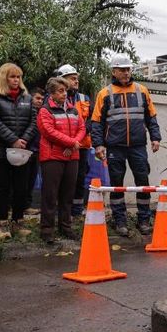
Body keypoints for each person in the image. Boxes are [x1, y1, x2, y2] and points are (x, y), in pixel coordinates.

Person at [91, 53, 161, 237]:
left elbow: (151, 117)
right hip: (114, 147)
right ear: (113, 71)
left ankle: (144, 220)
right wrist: (98, 145)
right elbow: (96, 123)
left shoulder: (142, 90)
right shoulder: (104, 93)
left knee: (143, 182)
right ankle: (120, 221)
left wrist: (156, 137)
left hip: (138, 146)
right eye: (122, 70)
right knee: (116, 185)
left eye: (128, 69)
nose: (126, 73)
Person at [0, 63, 37, 241]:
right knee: (3, 188)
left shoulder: (27, 98)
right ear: (3, 78)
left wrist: (23, 140)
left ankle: (18, 221)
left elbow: (34, 121)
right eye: (12, 77)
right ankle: (2, 223)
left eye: (18, 77)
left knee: (21, 188)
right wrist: (13, 139)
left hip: (22, 150)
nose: (16, 80)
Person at [37, 77, 85, 243]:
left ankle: (65, 227)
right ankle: (47, 230)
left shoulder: (73, 110)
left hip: (72, 156)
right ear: (51, 93)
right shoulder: (45, 110)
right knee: (50, 195)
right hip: (52, 157)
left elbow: (81, 128)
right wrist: (72, 143)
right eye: (60, 91)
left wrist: (72, 145)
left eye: (65, 91)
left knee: (67, 195)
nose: (64, 94)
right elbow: (49, 132)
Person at [54, 64, 92, 220]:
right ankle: (62, 210)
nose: (76, 81)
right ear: (62, 80)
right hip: (61, 146)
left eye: (77, 78)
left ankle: (76, 210)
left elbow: (91, 121)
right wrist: (69, 142)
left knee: (79, 177)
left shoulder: (85, 98)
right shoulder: (54, 98)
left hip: (81, 146)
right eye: (72, 78)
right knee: (61, 178)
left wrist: (76, 140)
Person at [24, 87, 46, 215]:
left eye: (42, 99)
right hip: (25, 150)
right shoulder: (25, 112)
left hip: (37, 150)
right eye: (37, 98)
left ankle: (27, 205)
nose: (40, 101)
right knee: (23, 180)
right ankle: (21, 206)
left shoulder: (43, 113)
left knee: (31, 179)